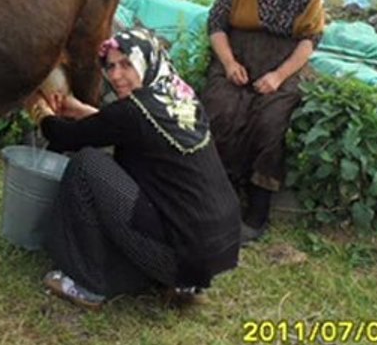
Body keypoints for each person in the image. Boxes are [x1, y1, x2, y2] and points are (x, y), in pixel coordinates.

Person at [27, 28, 241, 310]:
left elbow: (65, 137)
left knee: (87, 165)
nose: (116, 75)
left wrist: (38, 108)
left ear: (146, 62)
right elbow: (126, 127)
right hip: (214, 250)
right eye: (111, 66)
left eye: (127, 64)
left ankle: (87, 285)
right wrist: (78, 109)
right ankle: (182, 282)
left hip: (180, 256)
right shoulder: (180, 96)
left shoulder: (132, 112)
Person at [202, 0, 325, 244]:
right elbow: (216, 24)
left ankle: (256, 213)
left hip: (281, 65)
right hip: (237, 57)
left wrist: (279, 76)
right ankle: (214, 198)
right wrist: (228, 63)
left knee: (271, 121)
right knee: (220, 109)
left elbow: (310, 39)